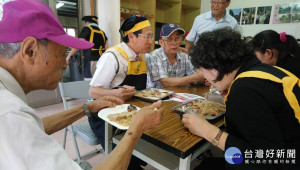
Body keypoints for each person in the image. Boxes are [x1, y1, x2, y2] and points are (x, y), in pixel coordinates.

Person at [0, 1, 163, 170]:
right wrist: (136, 129)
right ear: (30, 51)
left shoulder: (13, 110)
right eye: (62, 54)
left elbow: (36, 125)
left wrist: (87, 107)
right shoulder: (9, 115)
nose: (65, 64)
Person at [182, 28, 300, 170]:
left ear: (213, 69)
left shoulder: (244, 89)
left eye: (202, 71)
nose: (204, 77)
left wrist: (208, 131)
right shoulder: (269, 70)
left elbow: (266, 161)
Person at [88, 14, 153, 169]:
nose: (151, 41)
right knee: (123, 160)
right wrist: (116, 94)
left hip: (129, 110)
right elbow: (93, 92)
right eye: (148, 36)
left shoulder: (140, 57)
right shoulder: (113, 57)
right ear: (131, 36)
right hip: (104, 115)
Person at [147, 23, 206, 88]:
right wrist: (193, 78)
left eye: (177, 39)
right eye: (169, 39)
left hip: (178, 95)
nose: (174, 43)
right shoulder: (154, 56)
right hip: (157, 95)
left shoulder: (184, 57)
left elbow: (197, 77)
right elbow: (165, 82)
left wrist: (204, 80)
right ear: (161, 43)